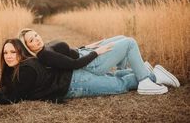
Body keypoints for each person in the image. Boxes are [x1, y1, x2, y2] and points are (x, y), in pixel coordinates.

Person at [0, 37, 180, 104]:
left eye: (12, 52)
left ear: (20, 53)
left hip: (75, 83)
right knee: (114, 75)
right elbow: (12, 90)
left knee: (119, 84)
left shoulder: (25, 70)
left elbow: (14, 97)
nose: (8, 56)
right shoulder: (19, 69)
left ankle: (151, 76)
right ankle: (151, 73)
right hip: (74, 79)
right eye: (5, 52)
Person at [18, 28, 180, 95]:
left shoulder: (46, 47)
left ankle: (137, 71)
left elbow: (68, 52)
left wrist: (87, 46)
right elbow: (74, 64)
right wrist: (96, 52)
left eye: (36, 35)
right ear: (28, 46)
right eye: (31, 40)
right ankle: (145, 80)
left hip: (85, 52)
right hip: (91, 63)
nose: (36, 40)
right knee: (129, 43)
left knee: (121, 38)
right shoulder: (44, 56)